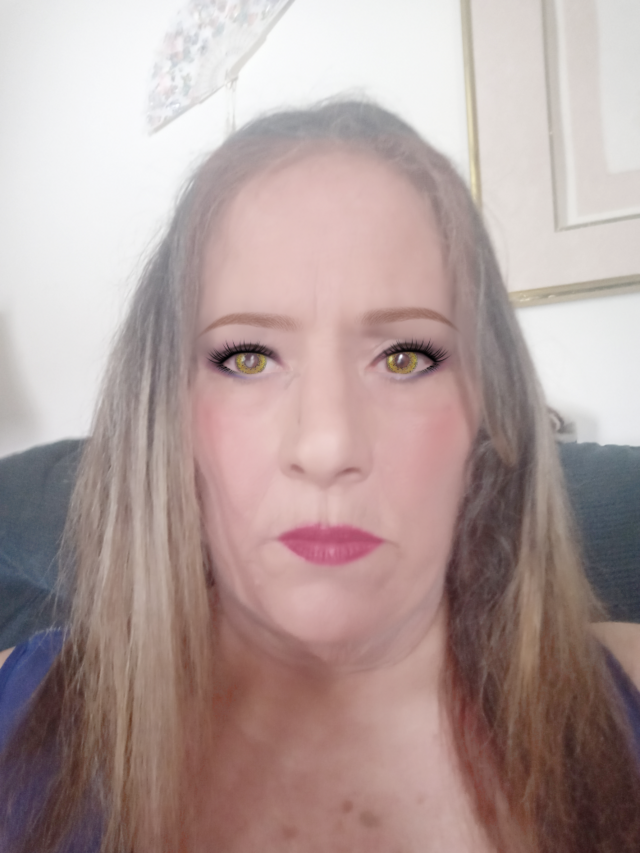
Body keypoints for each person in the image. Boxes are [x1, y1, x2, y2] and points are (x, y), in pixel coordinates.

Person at [1, 100, 639, 853]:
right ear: (164, 415)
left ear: (489, 413)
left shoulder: (622, 702)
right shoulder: (20, 716)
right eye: (247, 357)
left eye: (404, 357)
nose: (328, 443)